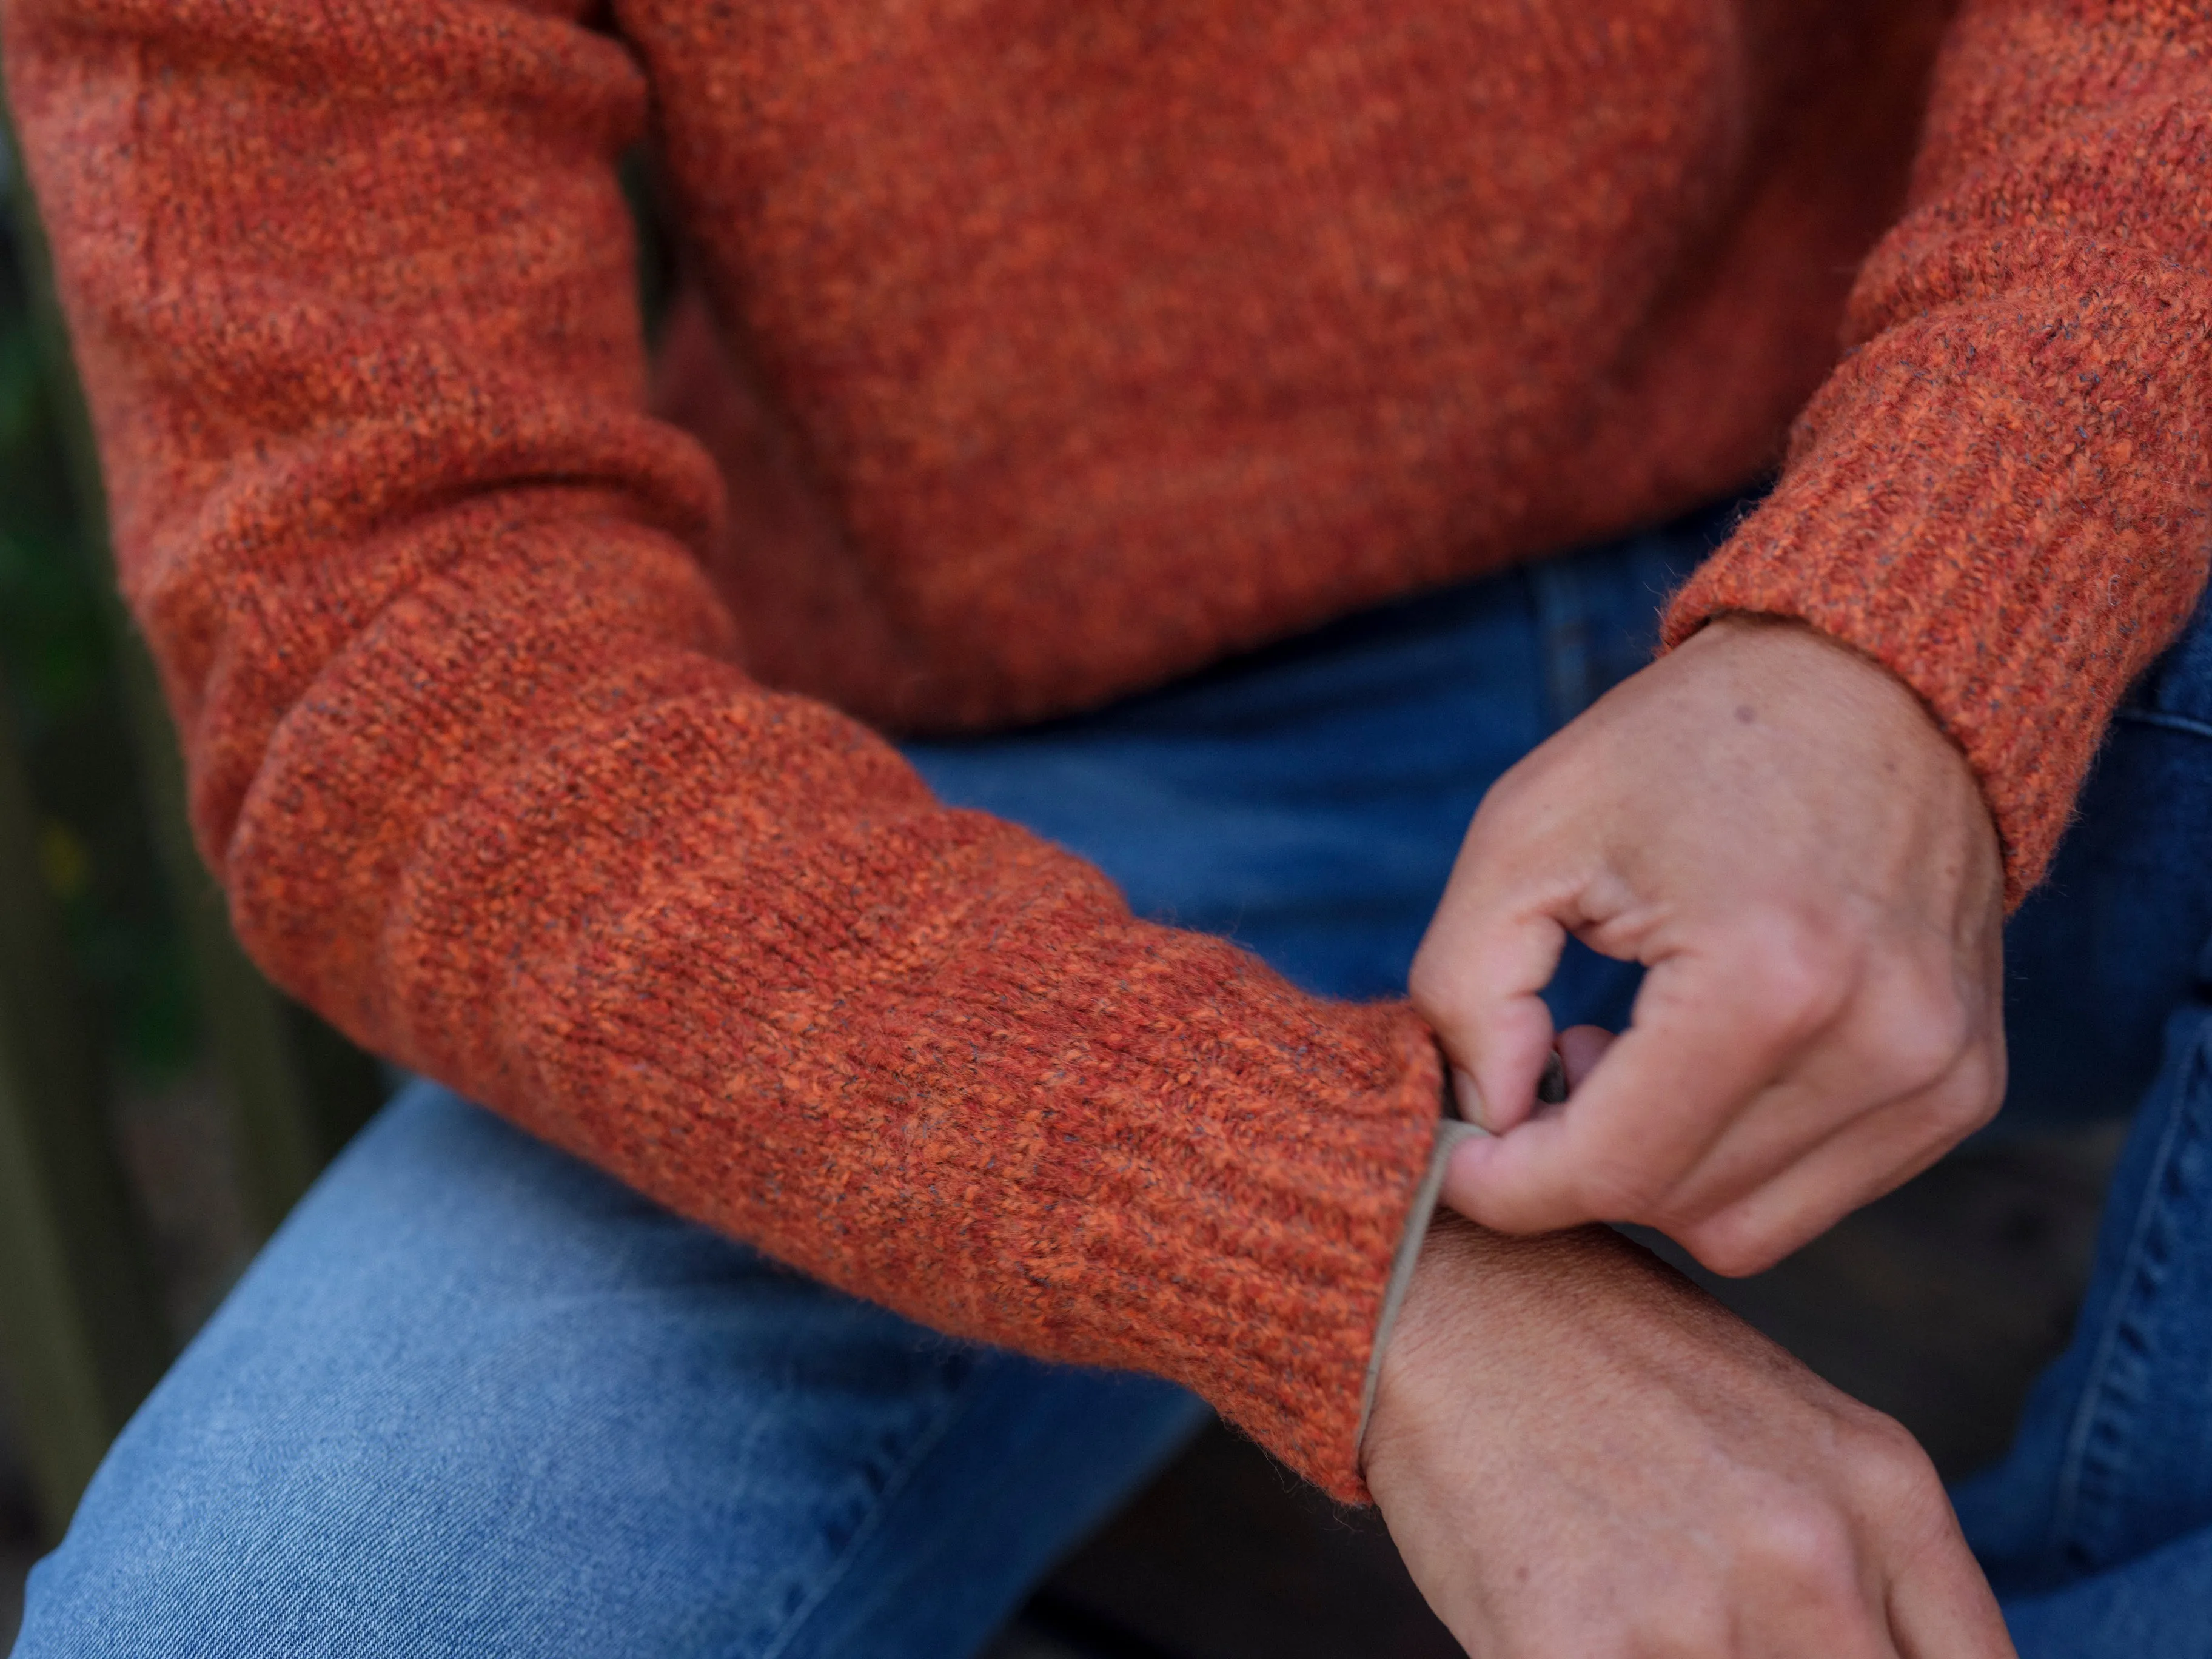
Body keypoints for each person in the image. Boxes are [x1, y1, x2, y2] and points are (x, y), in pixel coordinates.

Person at [4, 0, 2207, 1652]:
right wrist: (1354, 1256)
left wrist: (1919, 616)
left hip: (1953, 447)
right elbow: (387, 644)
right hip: (1003, 800)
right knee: (261, 1622)